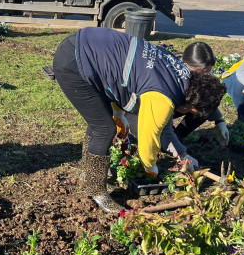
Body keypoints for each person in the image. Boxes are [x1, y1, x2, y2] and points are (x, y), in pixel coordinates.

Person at [53, 27, 226, 213]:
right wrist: (151, 167)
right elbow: (148, 138)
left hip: (89, 46)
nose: (186, 114)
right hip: (76, 62)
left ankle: (90, 172)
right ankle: (97, 191)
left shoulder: (180, 74)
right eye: (192, 112)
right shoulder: (163, 98)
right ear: (192, 104)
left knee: (100, 122)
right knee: (104, 128)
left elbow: (127, 80)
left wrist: (181, 154)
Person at [116, 42, 230, 171]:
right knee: (154, 134)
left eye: (208, 73)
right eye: (203, 73)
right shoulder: (169, 85)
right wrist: (182, 154)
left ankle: (176, 138)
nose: (205, 76)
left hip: (172, 104)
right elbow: (164, 127)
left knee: (201, 108)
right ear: (188, 66)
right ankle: (154, 142)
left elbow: (206, 100)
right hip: (135, 109)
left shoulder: (192, 73)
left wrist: (219, 121)